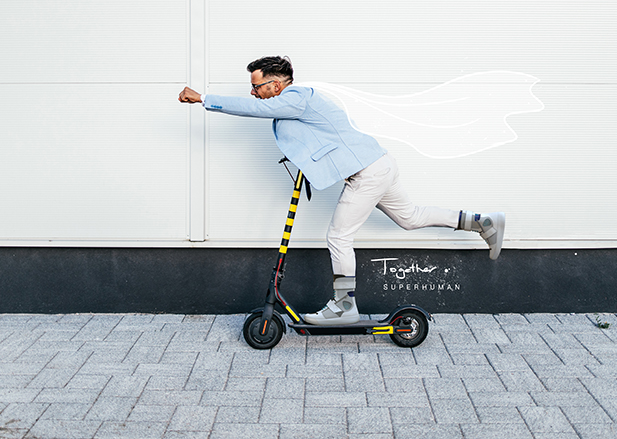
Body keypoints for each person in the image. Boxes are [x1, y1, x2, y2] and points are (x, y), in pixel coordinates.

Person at [179, 56, 505, 326]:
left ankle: (344, 306)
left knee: (338, 237)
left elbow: (261, 111)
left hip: (366, 173)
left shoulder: (296, 97)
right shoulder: (297, 102)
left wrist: (204, 99)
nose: (253, 93)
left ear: (275, 85)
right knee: (410, 217)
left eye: (256, 86)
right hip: (377, 164)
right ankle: (481, 222)